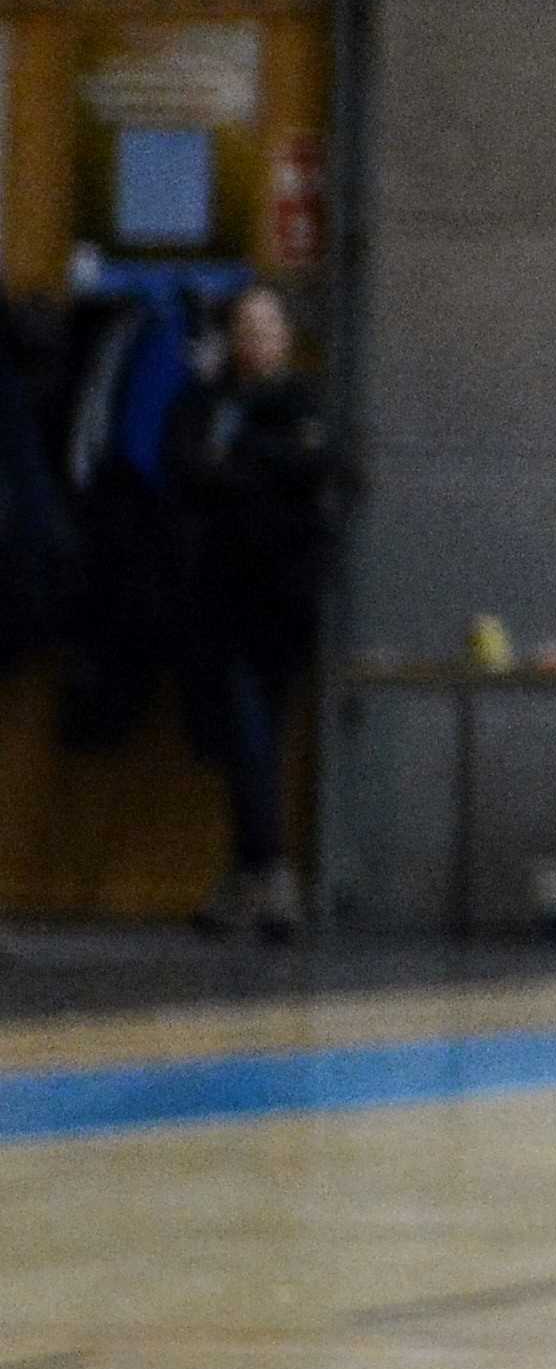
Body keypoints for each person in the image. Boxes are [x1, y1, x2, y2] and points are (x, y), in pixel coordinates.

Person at [162, 281, 336, 940]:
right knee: (240, 736)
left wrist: (243, 469)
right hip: (218, 596)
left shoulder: (300, 402)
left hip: (282, 599)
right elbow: (185, 469)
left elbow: (313, 471)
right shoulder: (205, 402)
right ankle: (263, 870)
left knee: (261, 735)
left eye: (269, 327)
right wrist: (249, 474)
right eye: (246, 327)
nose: (257, 340)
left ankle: (254, 871)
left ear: (286, 337)